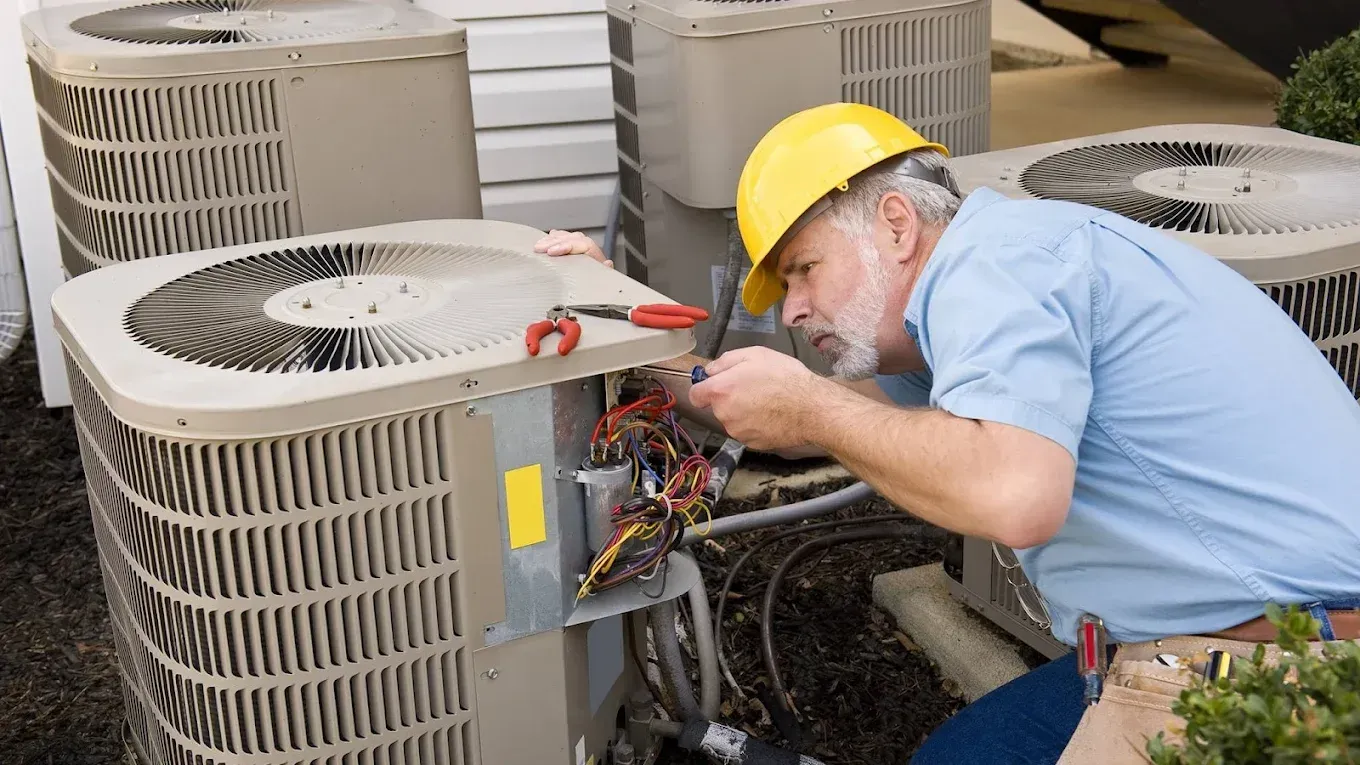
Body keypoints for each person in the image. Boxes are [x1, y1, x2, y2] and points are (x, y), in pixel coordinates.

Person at [535, 102, 1360, 763]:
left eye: (803, 268)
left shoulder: (995, 266)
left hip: (1285, 659)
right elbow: (804, 424)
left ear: (896, 223)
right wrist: (634, 337)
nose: (789, 310)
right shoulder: (949, 311)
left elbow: (1014, 495)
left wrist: (816, 406)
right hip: (1194, 635)